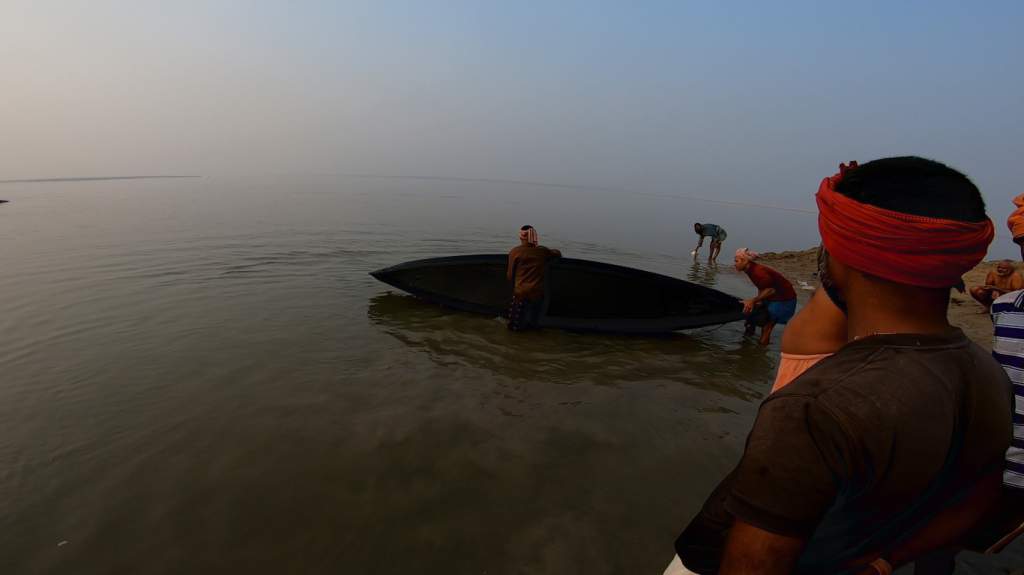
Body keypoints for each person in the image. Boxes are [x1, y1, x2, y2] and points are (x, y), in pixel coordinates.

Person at [668, 157, 1009, 575]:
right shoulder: (990, 376)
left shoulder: (816, 407)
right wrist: (884, 564)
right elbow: (976, 502)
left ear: (840, 253)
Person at [733, 248, 797, 345]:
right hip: (772, 297)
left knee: (767, 327)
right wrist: (758, 301)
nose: (734, 264)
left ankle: (761, 351)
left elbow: (771, 290)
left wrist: (753, 300)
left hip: (784, 299)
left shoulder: (758, 272)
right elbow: (762, 286)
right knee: (751, 317)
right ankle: (746, 342)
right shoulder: (749, 269)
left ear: (745, 261)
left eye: (736, 261)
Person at [506, 225, 560, 331]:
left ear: (521, 237)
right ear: (534, 237)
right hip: (537, 295)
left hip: (521, 294)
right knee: (533, 326)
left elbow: (510, 276)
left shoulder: (515, 252)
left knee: (514, 329)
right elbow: (557, 253)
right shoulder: (543, 252)